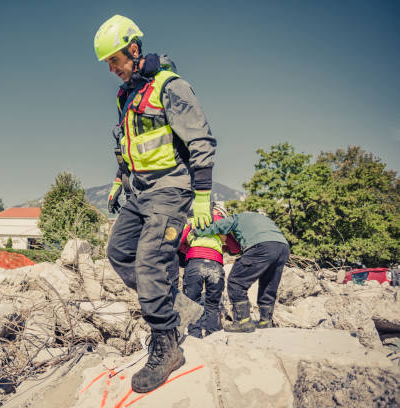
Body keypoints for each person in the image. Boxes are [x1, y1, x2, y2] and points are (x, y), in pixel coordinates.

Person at [94, 15, 216, 393]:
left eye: (115, 60)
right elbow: (126, 146)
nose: (112, 69)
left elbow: (201, 141)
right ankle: (175, 303)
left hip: (171, 189)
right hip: (139, 192)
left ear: (134, 49)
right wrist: (118, 181)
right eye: (108, 64)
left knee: (150, 260)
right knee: (119, 252)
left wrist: (203, 197)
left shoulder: (169, 86)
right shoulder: (126, 95)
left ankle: (166, 344)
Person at [191, 211, 290, 332]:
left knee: (236, 281)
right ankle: (265, 321)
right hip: (283, 247)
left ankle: (243, 322)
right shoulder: (263, 219)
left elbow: (219, 226)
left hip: (261, 246)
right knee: (268, 283)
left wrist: (197, 232)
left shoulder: (237, 217)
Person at [178, 203, 240, 338]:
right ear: (221, 213)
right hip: (215, 265)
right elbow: (235, 248)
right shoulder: (223, 223)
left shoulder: (194, 221)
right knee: (213, 304)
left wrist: (187, 250)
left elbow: (180, 241)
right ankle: (213, 336)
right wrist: (223, 248)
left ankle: (195, 337)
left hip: (195, 263)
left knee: (192, 302)